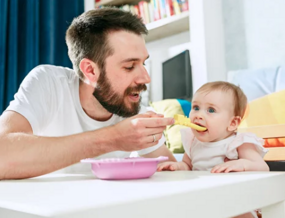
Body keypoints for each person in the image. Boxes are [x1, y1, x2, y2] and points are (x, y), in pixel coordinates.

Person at [0, 8, 176, 180]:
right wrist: (113, 138)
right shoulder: (49, 83)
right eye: (129, 66)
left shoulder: (130, 109)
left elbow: (171, 171)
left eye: (143, 64)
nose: (145, 78)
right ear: (90, 70)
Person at [157, 81, 269, 218]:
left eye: (211, 110)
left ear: (232, 123)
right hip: (203, 200)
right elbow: (187, 165)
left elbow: (262, 167)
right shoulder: (193, 141)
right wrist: (177, 166)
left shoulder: (238, 143)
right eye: (196, 107)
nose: (198, 115)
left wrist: (242, 164)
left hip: (236, 201)